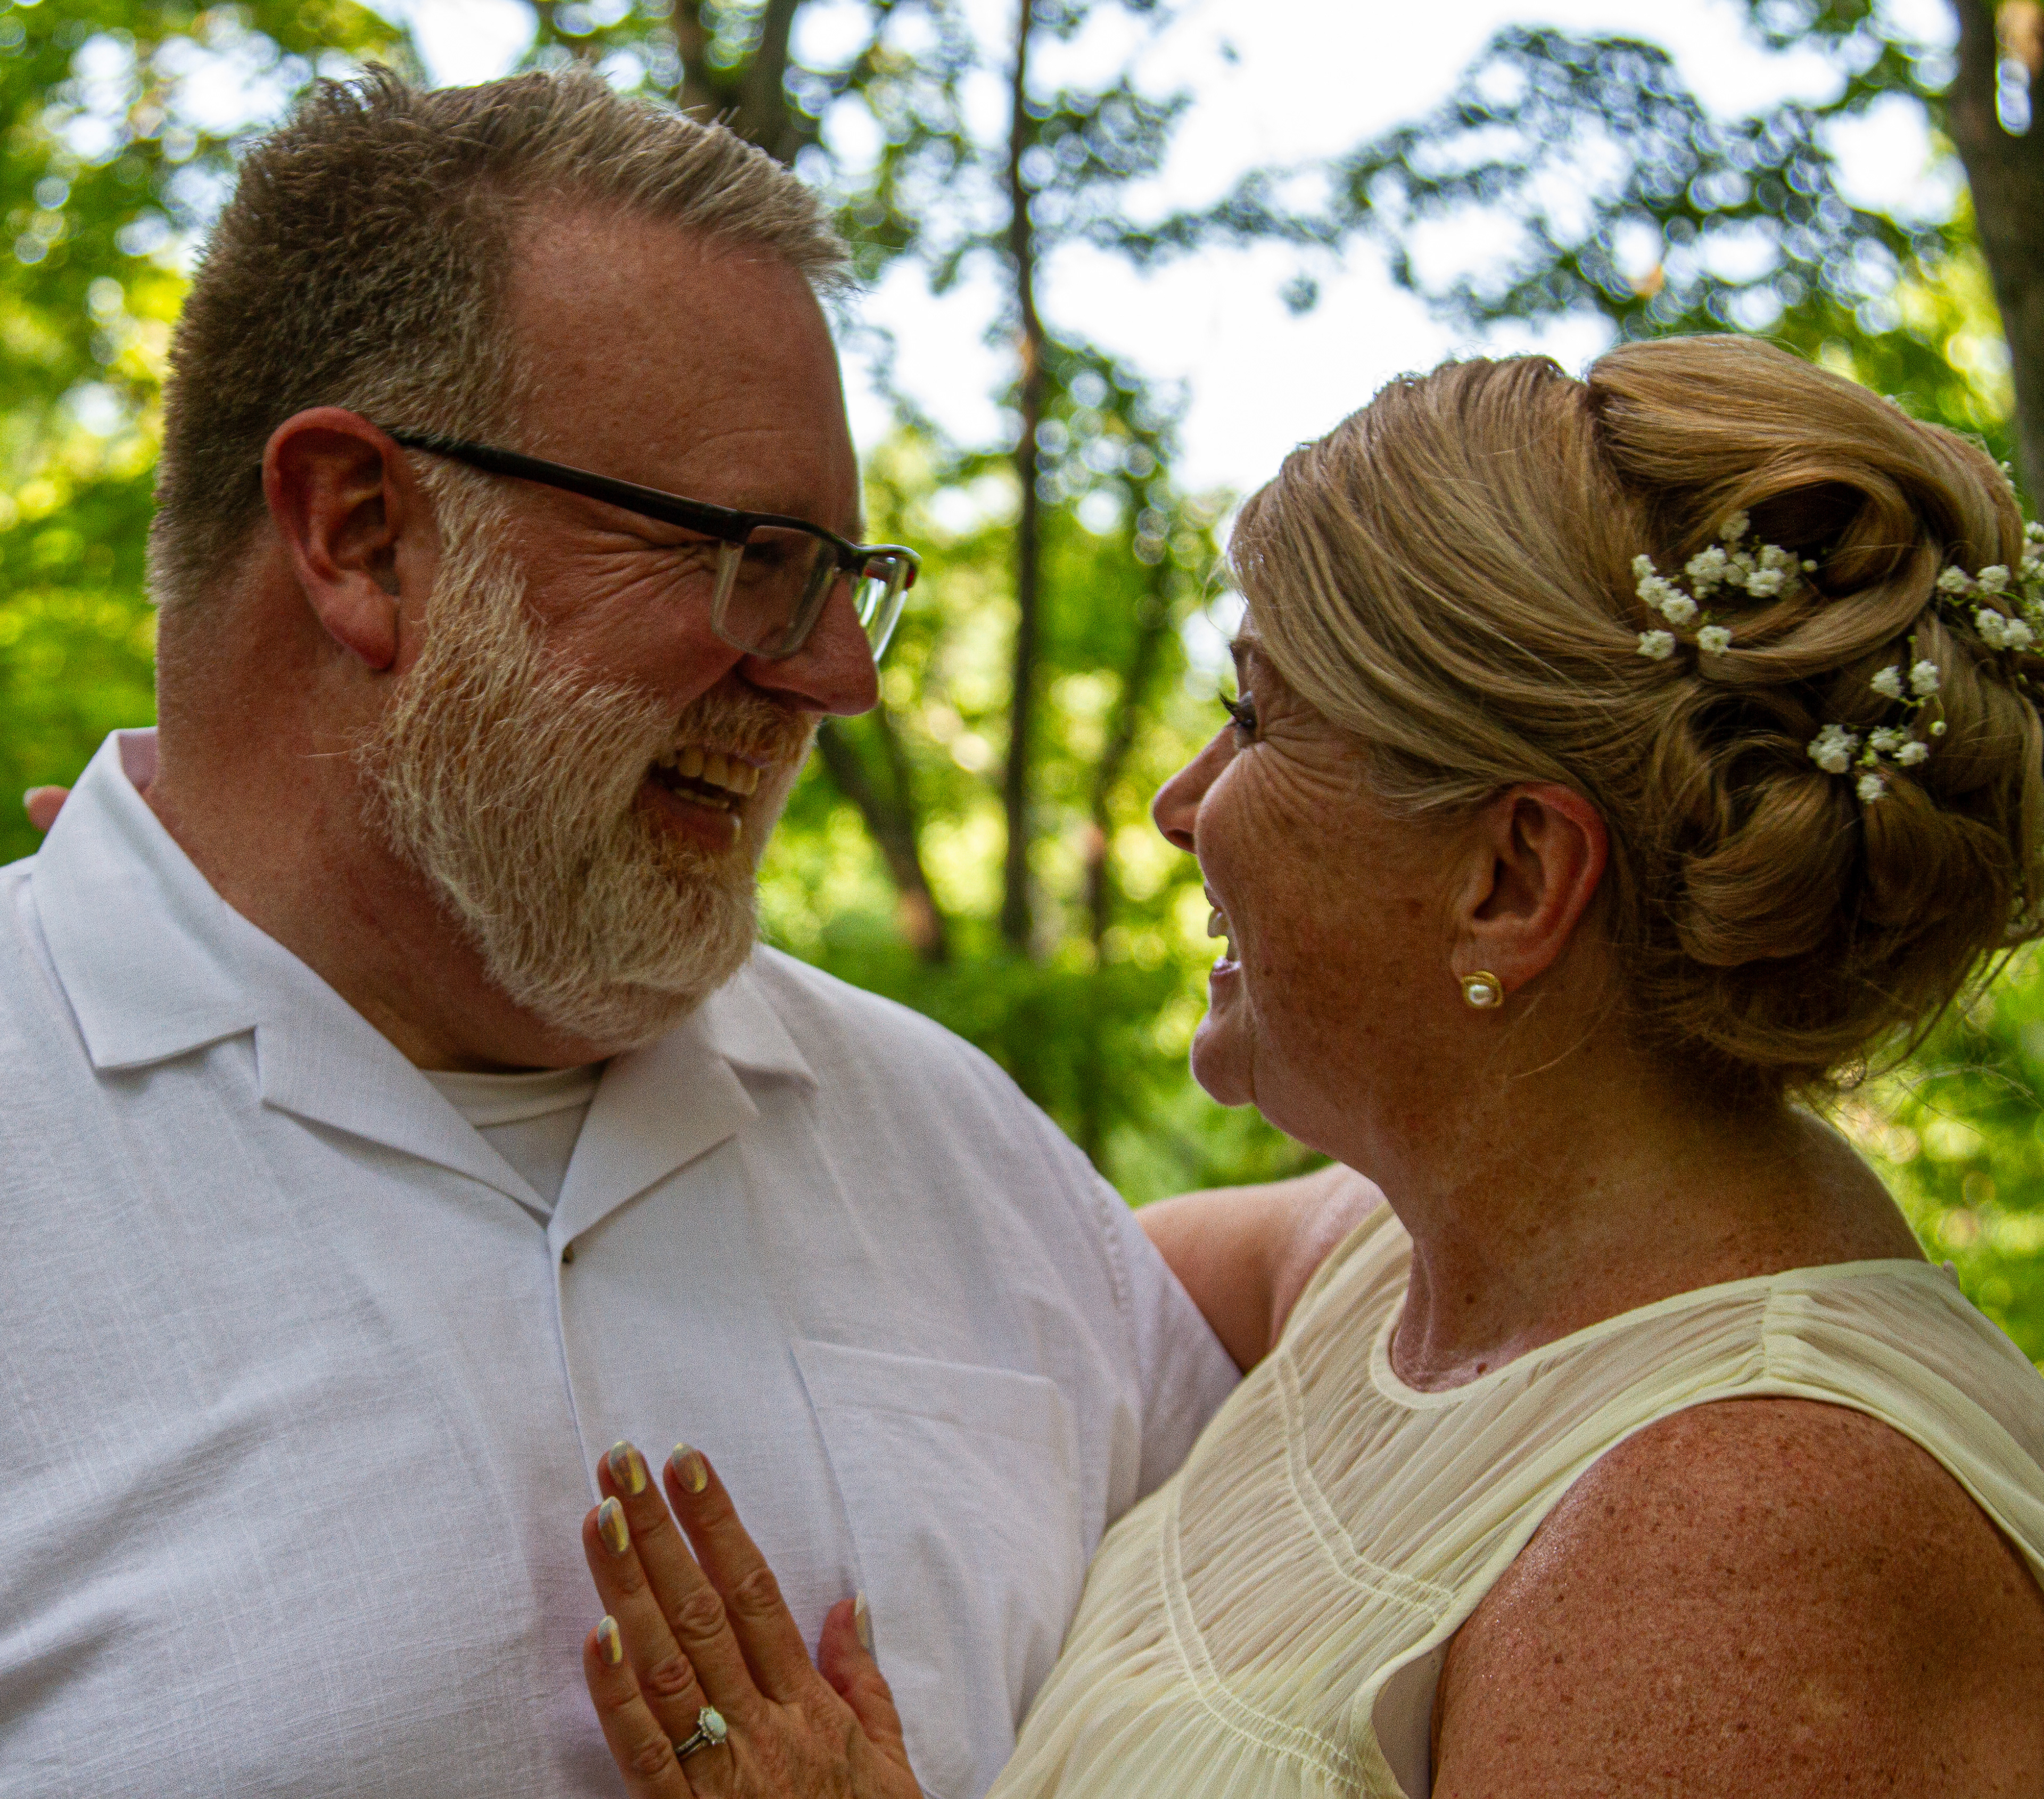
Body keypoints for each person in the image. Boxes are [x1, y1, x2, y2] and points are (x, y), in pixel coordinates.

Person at [0, 68, 1290, 1798]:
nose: (836, 679)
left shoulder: (956, 1141)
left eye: (847, 579)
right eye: (755, 561)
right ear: (360, 534)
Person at [567, 338, 2044, 1797]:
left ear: (1513, 878)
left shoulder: (1747, 1543)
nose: (1178, 802)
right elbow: (1002, 1292)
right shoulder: (1388, 1262)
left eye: (1260, 717)